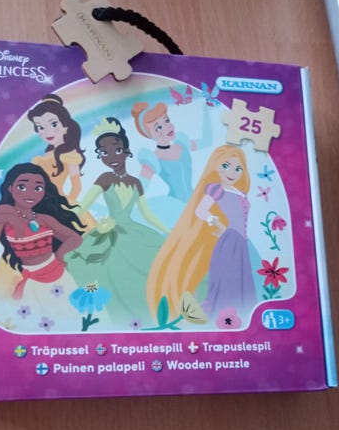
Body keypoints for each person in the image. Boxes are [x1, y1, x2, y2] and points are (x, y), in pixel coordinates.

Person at [68, 117, 169, 329]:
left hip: (134, 233)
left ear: (127, 151)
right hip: (109, 235)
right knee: (107, 274)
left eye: (117, 150)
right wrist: (62, 215)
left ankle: (149, 315)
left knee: (150, 269)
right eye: (104, 153)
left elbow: (147, 214)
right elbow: (83, 206)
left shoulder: (136, 182)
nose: (111, 157)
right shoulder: (105, 178)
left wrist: (166, 230)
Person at [146, 145, 257, 327]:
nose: (232, 172)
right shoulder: (216, 189)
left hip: (240, 243)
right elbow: (201, 210)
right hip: (228, 241)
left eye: (238, 168)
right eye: (225, 166)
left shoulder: (239, 192)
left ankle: (242, 315)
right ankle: (221, 317)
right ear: (215, 167)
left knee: (240, 280)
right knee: (225, 281)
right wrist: (216, 222)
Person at [0, 163, 85, 333]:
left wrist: (59, 255)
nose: (30, 193)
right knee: (37, 323)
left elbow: (75, 238)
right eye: (22, 186)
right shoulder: (5, 211)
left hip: (58, 275)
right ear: (11, 188)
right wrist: (11, 218)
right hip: (33, 280)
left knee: (68, 316)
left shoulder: (44, 219)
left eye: (38, 188)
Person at [131, 99, 212, 228]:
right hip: (176, 208)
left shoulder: (183, 145)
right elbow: (140, 189)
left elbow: (207, 141)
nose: (167, 127)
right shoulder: (153, 159)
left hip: (196, 201)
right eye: (158, 127)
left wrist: (206, 111)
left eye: (167, 121)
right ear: (150, 135)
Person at [28, 94, 86, 204]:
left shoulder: (70, 155)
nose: (47, 132)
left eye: (53, 124)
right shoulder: (48, 153)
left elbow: (76, 187)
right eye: (41, 127)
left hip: (57, 203)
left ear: (65, 126)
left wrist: (65, 206)